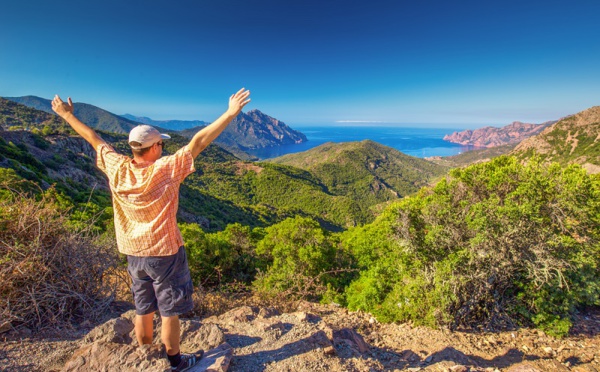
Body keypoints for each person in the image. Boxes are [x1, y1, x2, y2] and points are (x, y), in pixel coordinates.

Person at [51, 88, 251, 372]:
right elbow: (199, 142)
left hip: (133, 253)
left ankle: (145, 356)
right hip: (164, 252)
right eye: (161, 145)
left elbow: (94, 139)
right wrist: (230, 113)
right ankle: (175, 362)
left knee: (143, 308)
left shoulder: (117, 166)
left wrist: (66, 115)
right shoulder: (166, 169)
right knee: (169, 312)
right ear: (155, 147)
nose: (164, 149)